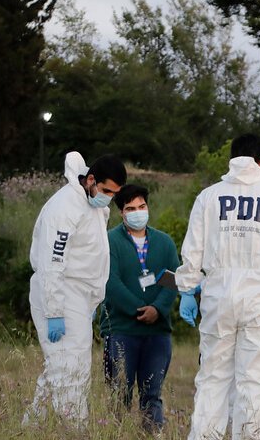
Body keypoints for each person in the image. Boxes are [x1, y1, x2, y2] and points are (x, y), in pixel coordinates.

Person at [175, 133, 260, 440]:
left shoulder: (209, 197)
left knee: (212, 377)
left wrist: (187, 289)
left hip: (219, 297)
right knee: (256, 381)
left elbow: (192, 248)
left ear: (232, 160)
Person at [24, 152, 127, 425]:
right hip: (60, 291)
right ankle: (74, 428)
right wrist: (55, 310)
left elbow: (88, 255)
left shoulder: (91, 204)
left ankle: (32, 427)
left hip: (79, 297)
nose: (108, 197)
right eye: (105, 190)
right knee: (70, 369)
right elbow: (52, 263)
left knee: (61, 367)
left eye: (114, 194)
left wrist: (91, 302)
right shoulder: (66, 207)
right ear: (90, 179)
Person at [100, 184, 179, 432]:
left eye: (142, 206)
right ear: (121, 213)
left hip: (157, 333)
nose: (138, 212)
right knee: (119, 394)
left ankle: (152, 434)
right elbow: (110, 282)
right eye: (131, 208)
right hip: (122, 330)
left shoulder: (164, 242)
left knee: (152, 394)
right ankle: (118, 434)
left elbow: (172, 278)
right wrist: (138, 309)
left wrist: (158, 308)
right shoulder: (109, 241)